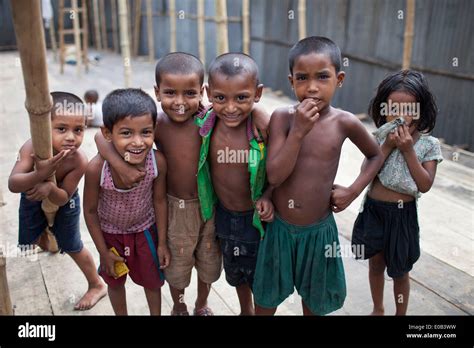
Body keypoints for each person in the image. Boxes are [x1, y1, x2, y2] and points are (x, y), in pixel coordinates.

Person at [94, 52, 270, 316]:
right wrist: (119, 165)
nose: (179, 102)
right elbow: (101, 136)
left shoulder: (210, 119)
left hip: (209, 205)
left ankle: (201, 303)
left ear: (202, 93)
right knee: (176, 265)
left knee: (209, 262)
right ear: (157, 92)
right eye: (170, 93)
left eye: (189, 93)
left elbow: (238, 104)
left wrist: (257, 111)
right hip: (174, 208)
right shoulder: (156, 124)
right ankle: (178, 304)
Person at [253, 36, 384, 315]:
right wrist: (298, 132)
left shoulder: (345, 122)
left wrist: (353, 190)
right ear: (291, 81)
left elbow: (376, 155)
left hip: (319, 231)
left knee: (315, 301)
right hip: (280, 227)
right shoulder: (282, 118)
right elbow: (275, 175)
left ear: (339, 79)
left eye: (322, 77)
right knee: (265, 298)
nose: (312, 87)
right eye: (302, 78)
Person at [351, 70, 443, 315]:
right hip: (374, 210)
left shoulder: (428, 144)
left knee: (400, 271)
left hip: (402, 216)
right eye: (394, 108)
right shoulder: (381, 137)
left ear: (421, 111)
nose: (401, 116)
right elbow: (367, 171)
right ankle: (378, 308)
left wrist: (408, 150)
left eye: (409, 110)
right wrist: (388, 145)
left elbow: (425, 184)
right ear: (384, 109)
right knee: (375, 264)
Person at [8, 91, 107, 310]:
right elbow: (14, 184)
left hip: (65, 199)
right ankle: (48, 238)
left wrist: (49, 187)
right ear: (42, 128)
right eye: (62, 129)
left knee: (72, 245)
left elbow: (62, 199)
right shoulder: (31, 147)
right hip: (32, 193)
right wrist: (38, 175)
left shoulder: (78, 160)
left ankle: (96, 284)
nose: (71, 137)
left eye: (78, 130)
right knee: (27, 243)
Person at [197, 52, 274, 315]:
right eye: (220, 98)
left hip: (256, 219)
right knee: (236, 271)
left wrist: (271, 194)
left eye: (241, 97)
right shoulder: (206, 123)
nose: (230, 107)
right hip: (224, 216)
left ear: (257, 93)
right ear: (208, 93)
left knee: (259, 275)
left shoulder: (261, 127)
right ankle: (245, 310)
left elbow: (282, 167)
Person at [83, 88, 170, 315]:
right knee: (115, 282)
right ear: (108, 133)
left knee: (153, 283)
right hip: (110, 235)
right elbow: (90, 211)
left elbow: (160, 201)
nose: (138, 142)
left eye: (146, 132)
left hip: (145, 232)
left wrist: (161, 243)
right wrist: (102, 251)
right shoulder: (96, 169)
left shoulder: (157, 161)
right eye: (126, 133)